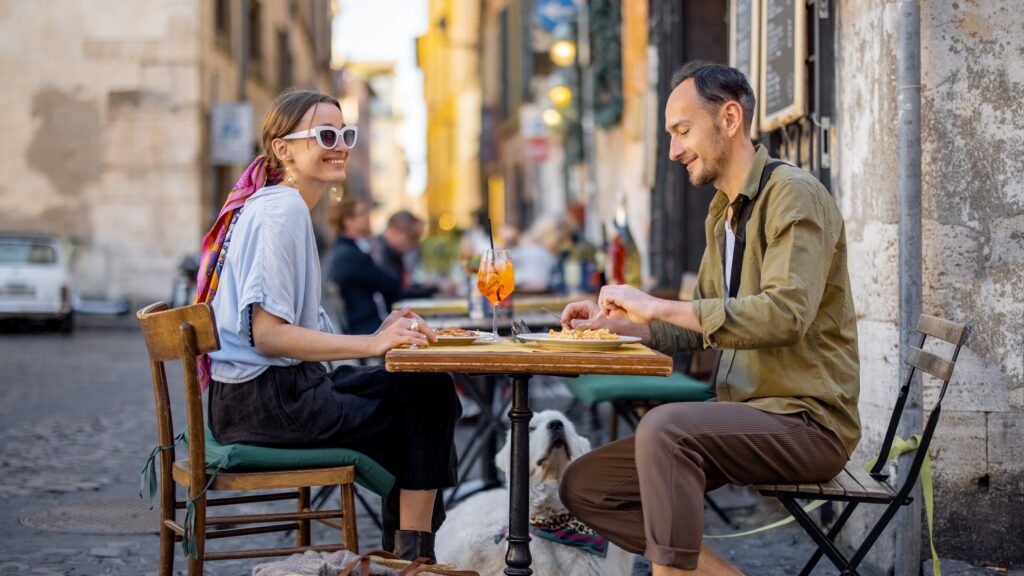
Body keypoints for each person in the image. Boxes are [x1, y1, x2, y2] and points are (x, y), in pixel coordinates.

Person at [558, 62, 860, 575]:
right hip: (741, 416)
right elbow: (695, 322)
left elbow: (785, 315)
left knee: (666, 427)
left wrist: (655, 304)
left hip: (806, 423)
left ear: (730, 118)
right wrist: (626, 325)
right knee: (586, 486)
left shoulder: (794, 194)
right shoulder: (723, 213)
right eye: (671, 136)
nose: (674, 150)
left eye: (682, 131)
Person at [196, 88, 459, 561]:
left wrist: (381, 332)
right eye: (325, 134)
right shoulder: (283, 210)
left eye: (345, 133)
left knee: (422, 386)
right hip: (267, 403)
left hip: (264, 394)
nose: (340, 145)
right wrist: (374, 344)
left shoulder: (279, 205)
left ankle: (407, 555)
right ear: (283, 148)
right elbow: (269, 334)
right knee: (428, 399)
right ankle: (413, 558)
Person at [327, 197, 404, 335]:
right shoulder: (350, 255)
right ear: (347, 221)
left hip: (367, 324)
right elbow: (390, 285)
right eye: (362, 213)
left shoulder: (346, 249)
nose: (368, 217)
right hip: (368, 328)